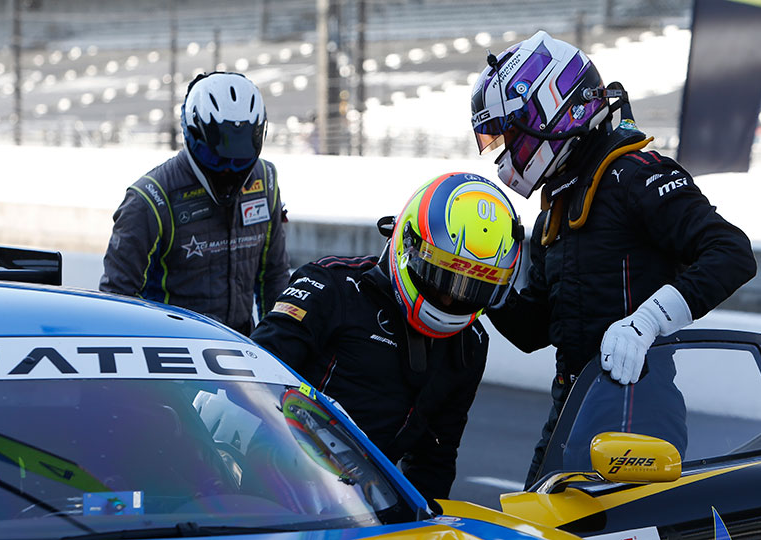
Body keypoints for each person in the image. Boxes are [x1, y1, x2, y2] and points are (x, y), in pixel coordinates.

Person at [469, 31, 757, 487]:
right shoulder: (556, 208)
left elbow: (732, 253)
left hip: (638, 413)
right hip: (572, 408)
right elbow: (535, 332)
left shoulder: (635, 175)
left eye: (512, 132)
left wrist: (647, 321)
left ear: (552, 108)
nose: (507, 151)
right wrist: (482, 286)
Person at [250, 172, 524, 503]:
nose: (451, 299)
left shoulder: (471, 344)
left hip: (363, 503)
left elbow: (435, 457)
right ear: (408, 244)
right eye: (442, 278)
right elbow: (250, 378)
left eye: (471, 289)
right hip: (272, 481)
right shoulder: (330, 287)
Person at [100, 72, 289, 335]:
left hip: (242, 347)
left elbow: (274, 276)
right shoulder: (150, 199)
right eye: (218, 159)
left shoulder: (265, 182)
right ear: (191, 134)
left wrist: (277, 344)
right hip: (173, 351)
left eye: (239, 160)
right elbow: (117, 300)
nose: (228, 171)